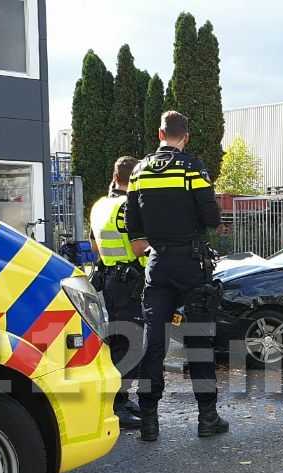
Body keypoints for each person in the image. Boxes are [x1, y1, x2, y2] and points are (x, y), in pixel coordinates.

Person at [125, 111, 228, 441]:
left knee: (153, 343)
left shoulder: (139, 171)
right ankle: (207, 418)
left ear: (160, 133)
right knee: (199, 340)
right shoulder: (192, 168)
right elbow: (211, 217)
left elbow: (132, 223)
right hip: (191, 262)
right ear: (186, 136)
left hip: (157, 264)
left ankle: (149, 421)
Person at [89, 155, 146, 429]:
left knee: (118, 343)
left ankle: (120, 399)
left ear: (114, 177)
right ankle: (116, 405)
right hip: (131, 283)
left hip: (110, 282)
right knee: (130, 346)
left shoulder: (100, 205)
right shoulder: (130, 207)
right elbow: (139, 249)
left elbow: (95, 248)